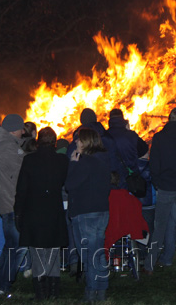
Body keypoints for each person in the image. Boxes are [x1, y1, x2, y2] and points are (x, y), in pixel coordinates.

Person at [15, 127, 69, 300]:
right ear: (54, 142)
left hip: (34, 212)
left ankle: (41, 293)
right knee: (53, 252)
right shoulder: (62, 160)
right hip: (54, 211)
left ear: (38, 141)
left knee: (37, 253)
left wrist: (18, 213)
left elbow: (21, 190)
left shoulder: (30, 160)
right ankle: (53, 293)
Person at [144, 107, 176, 274]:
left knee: (159, 226)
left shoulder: (159, 138)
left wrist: (158, 183)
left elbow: (154, 163)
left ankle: (149, 265)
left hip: (165, 187)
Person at [66, 128, 111, 302]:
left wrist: (73, 163)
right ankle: (101, 290)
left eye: (78, 140)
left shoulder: (85, 162)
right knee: (97, 253)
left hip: (86, 213)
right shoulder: (103, 160)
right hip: (100, 211)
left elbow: (70, 184)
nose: (76, 142)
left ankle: (92, 292)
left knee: (88, 255)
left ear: (85, 142)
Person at [0, 113, 26, 295]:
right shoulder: (7, 148)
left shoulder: (4, 145)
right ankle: (4, 285)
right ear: (14, 129)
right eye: (21, 128)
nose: (23, 132)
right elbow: (23, 168)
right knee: (18, 247)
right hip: (10, 202)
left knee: (10, 246)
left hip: (6, 200)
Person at [106, 108, 148, 189]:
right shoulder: (132, 136)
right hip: (130, 180)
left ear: (110, 120)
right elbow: (145, 154)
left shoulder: (104, 136)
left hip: (112, 181)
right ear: (122, 118)